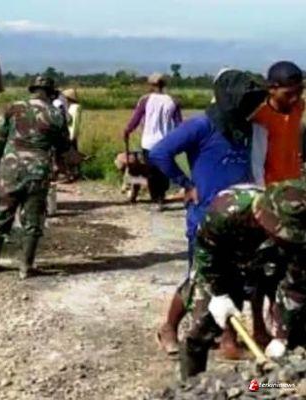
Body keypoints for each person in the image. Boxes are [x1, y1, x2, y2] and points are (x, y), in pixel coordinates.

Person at [149, 70, 267, 357]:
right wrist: (186, 184)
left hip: (239, 216)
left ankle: (228, 339)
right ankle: (169, 327)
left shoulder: (247, 129)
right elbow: (159, 152)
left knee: (236, 277)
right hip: (205, 216)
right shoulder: (202, 126)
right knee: (198, 278)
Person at [180, 180, 306, 379]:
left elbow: (295, 286)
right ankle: (189, 385)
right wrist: (219, 293)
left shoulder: (298, 236)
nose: (284, 238)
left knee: (295, 332)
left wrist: (282, 336)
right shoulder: (227, 209)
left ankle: (284, 384)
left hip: (270, 264)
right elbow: (206, 250)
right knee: (199, 327)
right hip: (222, 265)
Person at [0, 76, 71, 280]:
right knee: (33, 218)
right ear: (51, 93)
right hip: (38, 172)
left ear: (32, 90)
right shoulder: (56, 114)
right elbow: (63, 147)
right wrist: (63, 167)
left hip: (11, 168)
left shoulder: (12, 108)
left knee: (2, 212)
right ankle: (25, 266)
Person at [124, 73, 183, 208]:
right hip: (167, 142)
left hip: (149, 142)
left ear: (151, 85)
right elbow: (179, 124)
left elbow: (136, 119)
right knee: (164, 170)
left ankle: (156, 199)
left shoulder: (145, 100)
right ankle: (161, 197)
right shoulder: (173, 101)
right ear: (164, 85)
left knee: (152, 171)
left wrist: (127, 131)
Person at [252, 61, 305, 186]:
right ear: (272, 89)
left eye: (299, 92)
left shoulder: (298, 107)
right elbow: (256, 162)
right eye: (288, 94)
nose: (295, 98)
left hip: (294, 184)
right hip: (271, 188)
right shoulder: (259, 117)